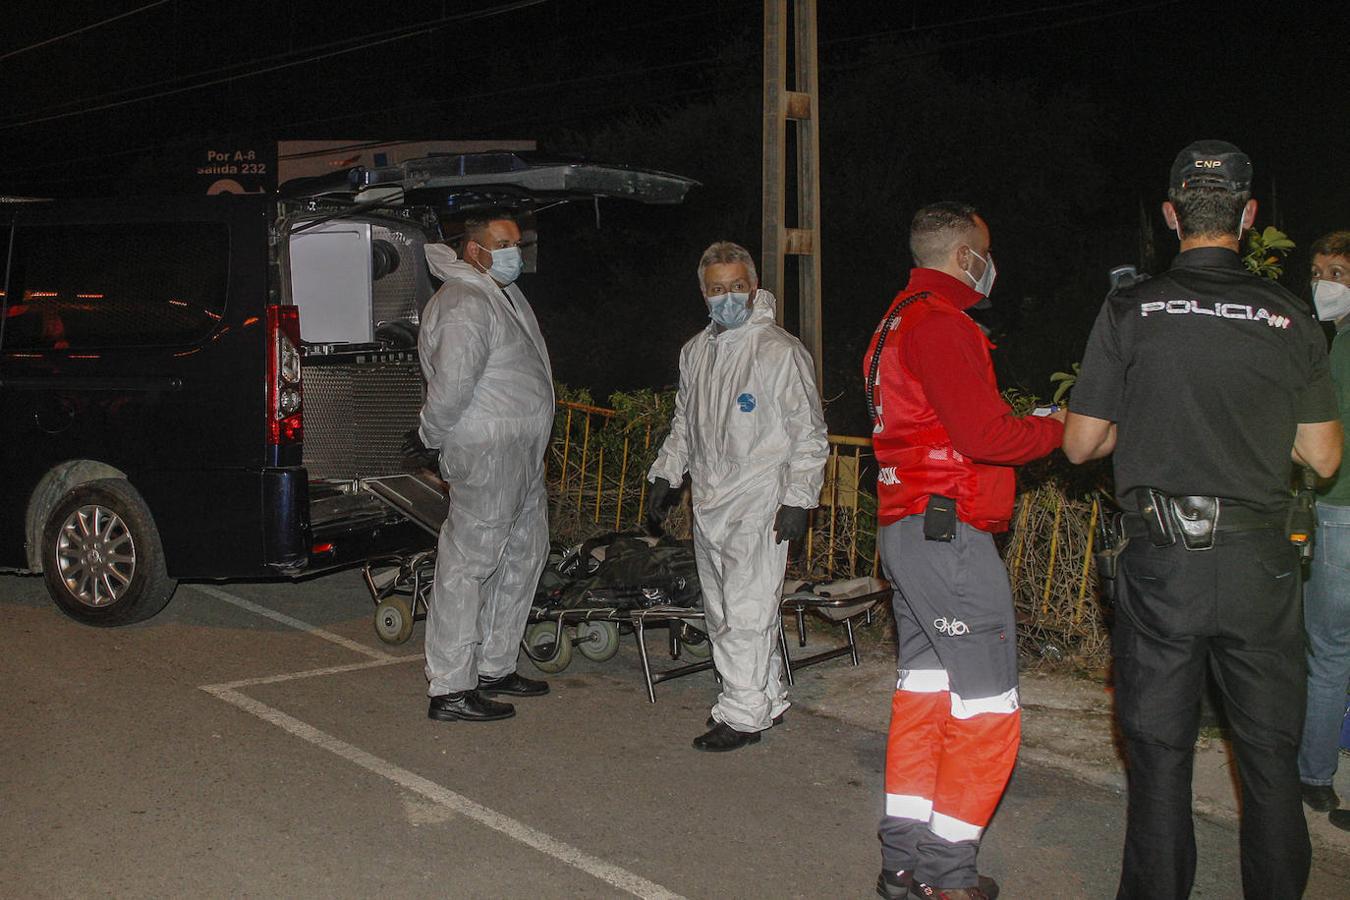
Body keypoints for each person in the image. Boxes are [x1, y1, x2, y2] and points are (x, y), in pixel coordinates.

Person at [1063, 141, 1342, 900]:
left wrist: (1142, 425)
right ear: (1248, 218)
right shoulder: (1289, 316)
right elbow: (1321, 459)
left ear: (1170, 216)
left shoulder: (1130, 309)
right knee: (1269, 760)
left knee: (1158, 757)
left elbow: (1081, 441)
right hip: (1259, 568)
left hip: (1162, 568)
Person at [866, 202, 1065, 900]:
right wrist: (1058, 430)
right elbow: (985, 438)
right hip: (946, 537)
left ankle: (902, 866)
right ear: (962, 256)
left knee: (924, 700)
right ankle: (948, 878)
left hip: (906, 530)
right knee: (987, 709)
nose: (992, 263)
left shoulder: (896, 320)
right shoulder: (942, 325)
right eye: (985, 250)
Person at [646, 241, 828, 752]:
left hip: (759, 500)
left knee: (747, 610)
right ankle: (764, 696)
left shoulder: (778, 352)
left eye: (737, 286)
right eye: (717, 288)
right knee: (724, 611)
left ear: (753, 286)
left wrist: (798, 498)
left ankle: (742, 715)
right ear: (703, 292)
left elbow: (808, 435)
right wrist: (666, 475)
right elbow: (685, 423)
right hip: (709, 500)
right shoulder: (696, 352)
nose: (728, 296)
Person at [415, 211, 555, 722]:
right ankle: (451, 687)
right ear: (475, 250)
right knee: (469, 564)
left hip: (521, 452)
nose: (516, 250)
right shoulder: (462, 302)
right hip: (488, 452)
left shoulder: (502, 295)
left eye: (517, 241)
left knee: (524, 553)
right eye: (504, 242)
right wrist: (429, 435)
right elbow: (452, 386)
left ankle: (495, 664)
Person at [1300, 230, 1350, 822]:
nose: (1322, 285)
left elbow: (1319, 447)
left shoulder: (1337, 351)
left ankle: (1314, 776)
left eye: (1336, 273)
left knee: (1330, 651)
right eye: (1316, 272)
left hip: (1340, 510)